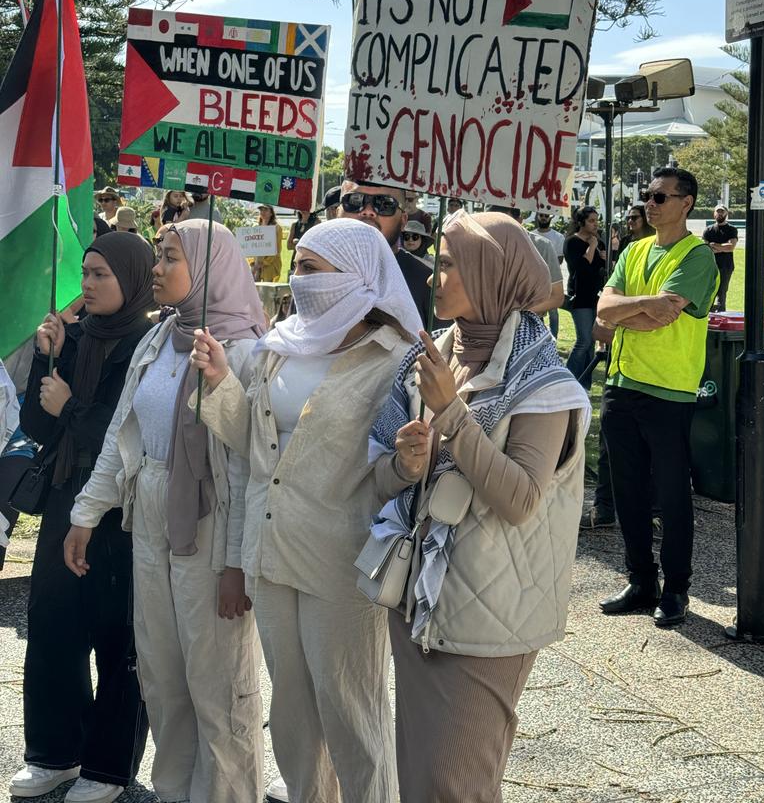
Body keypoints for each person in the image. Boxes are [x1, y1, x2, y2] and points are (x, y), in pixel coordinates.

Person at [191, 219, 421, 803]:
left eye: (312, 268)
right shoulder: (281, 342)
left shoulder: (395, 359)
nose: (298, 278)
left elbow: (390, 476)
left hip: (341, 556)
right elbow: (254, 446)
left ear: (358, 275)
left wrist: (409, 462)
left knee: (351, 710)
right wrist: (220, 383)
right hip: (272, 549)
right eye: (297, 264)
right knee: (291, 712)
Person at [369, 211, 590, 803]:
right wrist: (405, 462)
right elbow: (382, 470)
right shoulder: (434, 357)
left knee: (457, 782)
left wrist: (450, 415)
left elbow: (519, 499)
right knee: (417, 772)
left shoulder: (544, 384)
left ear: (493, 274)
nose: (434, 278)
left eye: (448, 264)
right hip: (421, 597)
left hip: (491, 614)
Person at [64, 221, 266, 803]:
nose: (156, 268)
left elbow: (247, 463)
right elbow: (122, 434)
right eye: (157, 256)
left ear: (205, 270)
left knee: (218, 683)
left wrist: (234, 565)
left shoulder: (248, 352)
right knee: (162, 673)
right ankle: (175, 789)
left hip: (211, 523)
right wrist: (86, 512)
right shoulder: (159, 339)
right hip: (150, 512)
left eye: (170, 257)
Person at [10, 233, 154, 803]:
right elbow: (40, 427)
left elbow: (126, 436)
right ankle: (54, 754)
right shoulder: (76, 338)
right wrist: (49, 357)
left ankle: (108, 766)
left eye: (101, 275)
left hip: (121, 510)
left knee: (118, 638)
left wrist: (67, 404)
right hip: (66, 499)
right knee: (52, 628)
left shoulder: (148, 343)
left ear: (131, 279)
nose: (88, 285)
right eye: (86, 274)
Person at [596, 167, 718, 627]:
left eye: (661, 197)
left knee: (671, 496)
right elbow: (604, 310)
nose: (650, 203)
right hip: (621, 385)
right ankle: (640, 580)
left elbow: (661, 316)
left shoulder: (697, 255)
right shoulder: (633, 249)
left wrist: (623, 312)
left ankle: (677, 589)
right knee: (628, 491)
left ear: (686, 203)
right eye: (648, 195)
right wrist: (638, 308)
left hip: (669, 391)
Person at [339, 180, 432, 326]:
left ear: (403, 220)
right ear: (337, 212)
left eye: (384, 204)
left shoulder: (429, 283)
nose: (368, 211)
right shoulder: (313, 272)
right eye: (354, 201)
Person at [563, 206, 606, 388]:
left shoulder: (599, 243)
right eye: (591, 220)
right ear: (581, 222)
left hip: (595, 296)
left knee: (591, 341)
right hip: (580, 297)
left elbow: (600, 270)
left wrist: (604, 257)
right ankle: (567, 378)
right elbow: (580, 268)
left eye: (596, 220)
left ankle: (583, 382)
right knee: (584, 340)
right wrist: (592, 248)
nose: (595, 224)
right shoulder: (572, 242)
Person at [532, 212, 565, 339]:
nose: (544, 218)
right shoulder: (530, 235)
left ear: (551, 217)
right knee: (536, 312)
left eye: (546, 215)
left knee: (553, 312)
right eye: (541, 215)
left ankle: (553, 339)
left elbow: (559, 259)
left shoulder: (558, 237)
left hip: (552, 280)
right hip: (535, 281)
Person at [702, 204, 738, 311]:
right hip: (710, 266)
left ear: (726, 214)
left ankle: (721, 315)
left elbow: (731, 247)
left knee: (721, 293)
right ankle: (709, 317)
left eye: (722, 211)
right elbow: (705, 248)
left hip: (726, 266)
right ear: (714, 214)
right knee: (709, 292)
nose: (720, 214)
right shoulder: (708, 230)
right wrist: (722, 247)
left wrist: (714, 246)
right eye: (718, 211)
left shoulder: (731, 230)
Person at [253, 204, 284, 282]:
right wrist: (254, 263)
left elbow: (277, 248)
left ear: (271, 213)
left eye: (265, 210)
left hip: (270, 263)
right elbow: (252, 247)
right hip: (257, 263)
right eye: (261, 210)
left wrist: (265, 262)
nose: (263, 212)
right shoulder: (256, 228)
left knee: (267, 289)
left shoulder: (277, 228)